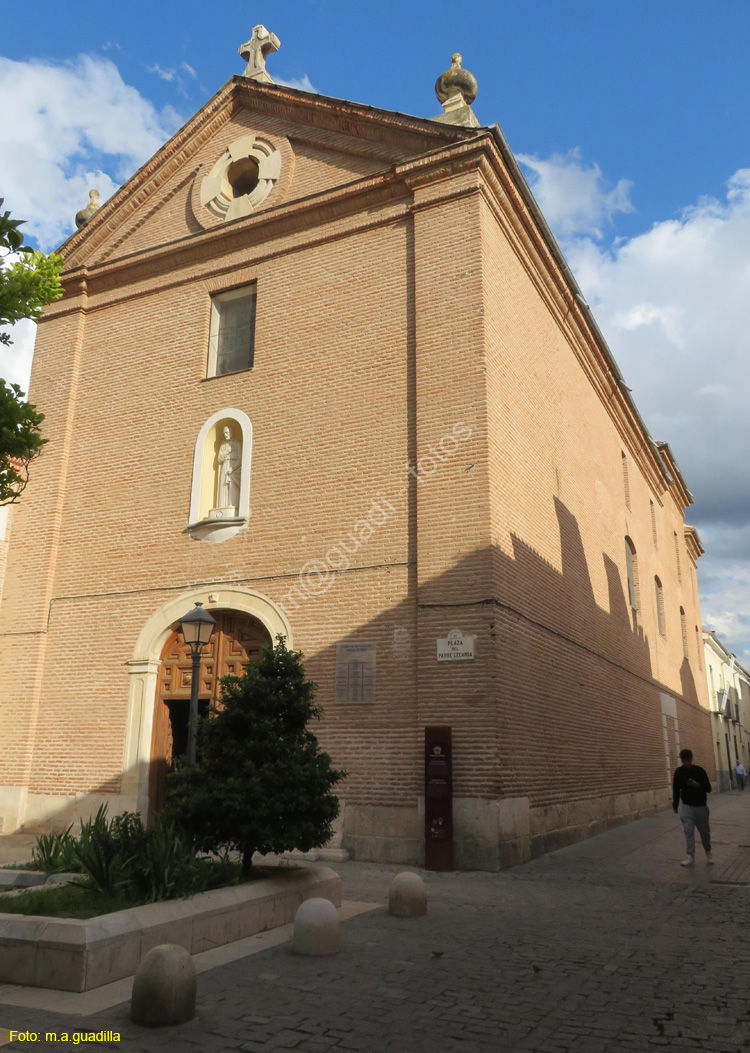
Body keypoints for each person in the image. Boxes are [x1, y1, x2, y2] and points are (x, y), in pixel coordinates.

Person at [672, 748, 713, 866]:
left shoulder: (700, 771)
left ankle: (708, 852)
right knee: (688, 831)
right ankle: (690, 855)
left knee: (705, 832)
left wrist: (697, 785)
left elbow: (708, 788)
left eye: (688, 760)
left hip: (701, 806)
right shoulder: (679, 772)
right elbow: (676, 789)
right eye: (684, 761)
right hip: (687, 807)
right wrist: (675, 805)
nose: (686, 763)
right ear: (682, 760)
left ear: (691, 759)